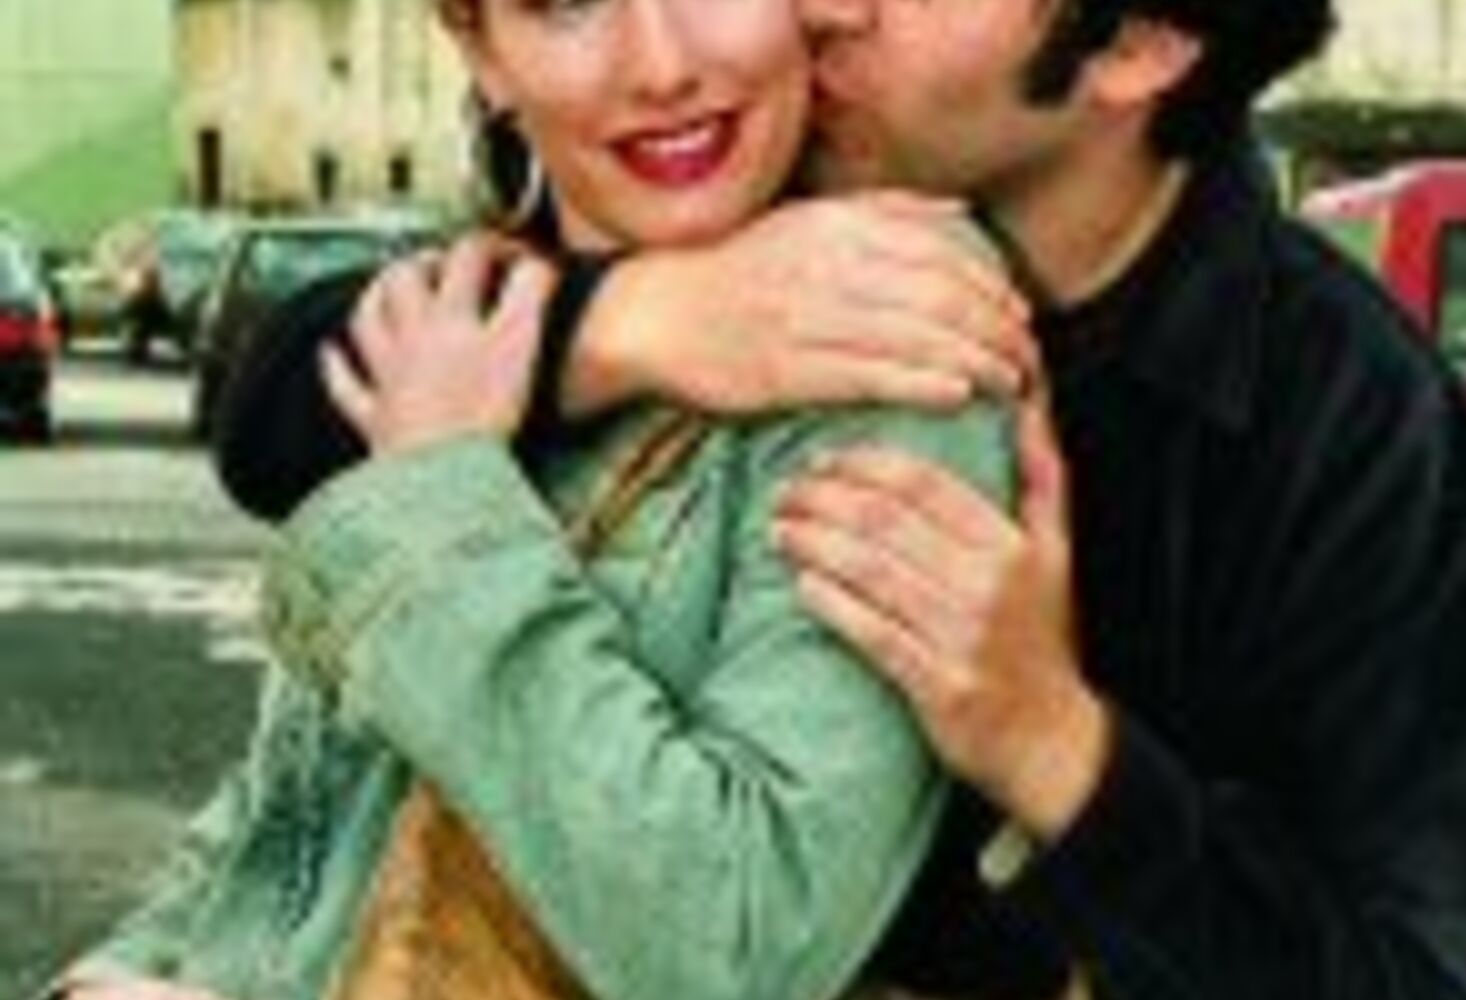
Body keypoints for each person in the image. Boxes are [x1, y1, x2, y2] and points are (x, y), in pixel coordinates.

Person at [216, 0, 1466, 997]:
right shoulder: (766, 195)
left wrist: (1057, 748)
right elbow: (286, 408)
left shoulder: (1355, 438)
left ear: (1139, 45)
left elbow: (1418, 973)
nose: (821, 6)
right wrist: (631, 323)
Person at [51, 0, 1026, 998]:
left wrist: (443, 502)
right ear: (481, 51)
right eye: (566, 5)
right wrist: (120, 971)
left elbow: (739, 939)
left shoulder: (885, 322)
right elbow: (303, 821)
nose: (660, 65)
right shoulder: (472, 320)